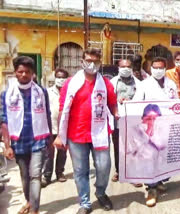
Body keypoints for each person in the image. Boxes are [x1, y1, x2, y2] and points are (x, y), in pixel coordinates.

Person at [53, 48, 119, 214]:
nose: (91, 64)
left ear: (100, 63)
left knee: (104, 167)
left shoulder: (105, 83)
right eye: (88, 61)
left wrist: (117, 113)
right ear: (82, 62)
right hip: (76, 134)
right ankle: (85, 202)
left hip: (100, 132)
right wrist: (60, 135)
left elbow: (112, 103)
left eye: (95, 61)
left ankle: (101, 192)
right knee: (80, 170)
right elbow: (63, 109)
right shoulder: (70, 83)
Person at [1, 56, 52, 214]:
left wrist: (49, 138)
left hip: (38, 139)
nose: (24, 75)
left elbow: (47, 114)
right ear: (15, 72)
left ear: (32, 74)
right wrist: (7, 146)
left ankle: (34, 209)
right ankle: (29, 201)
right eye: (20, 71)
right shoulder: (6, 94)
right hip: (18, 141)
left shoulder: (41, 92)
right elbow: (4, 121)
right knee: (25, 176)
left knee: (35, 175)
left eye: (27, 72)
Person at [133, 57, 178, 207]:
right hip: (150, 127)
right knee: (150, 158)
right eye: (155, 67)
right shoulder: (144, 85)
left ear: (165, 69)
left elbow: (176, 104)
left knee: (163, 157)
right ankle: (151, 188)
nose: (158, 70)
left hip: (166, 126)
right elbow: (136, 104)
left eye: (161, 68)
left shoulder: (171, 84)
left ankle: (159, 181)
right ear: (151, 69)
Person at [110, 58, 142, 188]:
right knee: (118, 147)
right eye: (123, 66)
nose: (126, 69)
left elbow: (142, 99)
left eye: (128, 66)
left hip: (134, 121)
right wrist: (118, 101)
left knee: (133, 148)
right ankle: (119, 171)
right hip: (118, 121)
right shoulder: (112, 83)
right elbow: (108, 100)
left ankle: (133, 174)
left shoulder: (139, 83)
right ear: (118, 67)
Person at [41, 68, 69, 187]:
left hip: (64, 128)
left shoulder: (69, 92)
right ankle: (47, 176)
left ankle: (59, 173)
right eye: (58, 77)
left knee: (62, 152)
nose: (61, 80)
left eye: (63, 78)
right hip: (50, 127)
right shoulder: (47, 92)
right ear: (55, 78)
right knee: (49, 153)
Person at [127, 104, 166, 177]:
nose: (151, 121)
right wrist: (148, 131)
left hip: (158, 162)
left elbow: (162, 146)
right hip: (143, 162)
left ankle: (158, 181)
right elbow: (134, 149)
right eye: (148, 119)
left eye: (154, 119)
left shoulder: (161, 128)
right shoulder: (136, 129)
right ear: (143, 118)